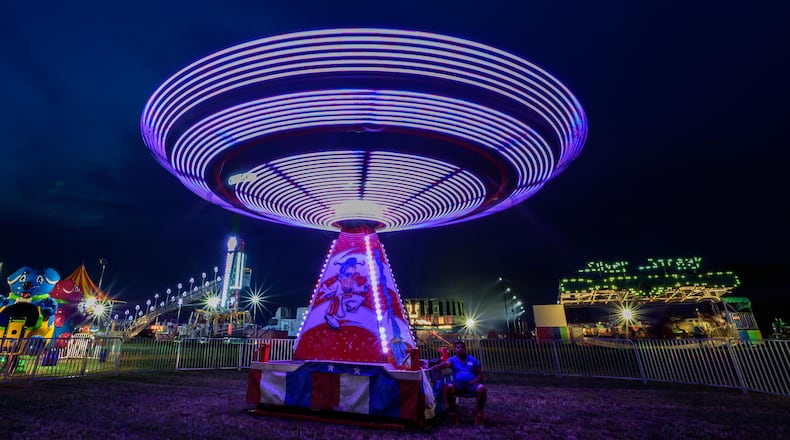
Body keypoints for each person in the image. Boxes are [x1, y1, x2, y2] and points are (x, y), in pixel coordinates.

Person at [432, 340, 487, 426]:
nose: (460, 349)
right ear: (455, 349)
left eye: (462, 347)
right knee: (449, 387)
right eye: (458, 347)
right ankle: (453, 412)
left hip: (471, 385)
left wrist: (476, 380)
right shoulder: (453, 359)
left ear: (465, 348)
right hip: (458, 386)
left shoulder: (473, 360)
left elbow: (480, 373)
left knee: (482, 388)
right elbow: (446, 364)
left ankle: (478, 413)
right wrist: (439, 366)